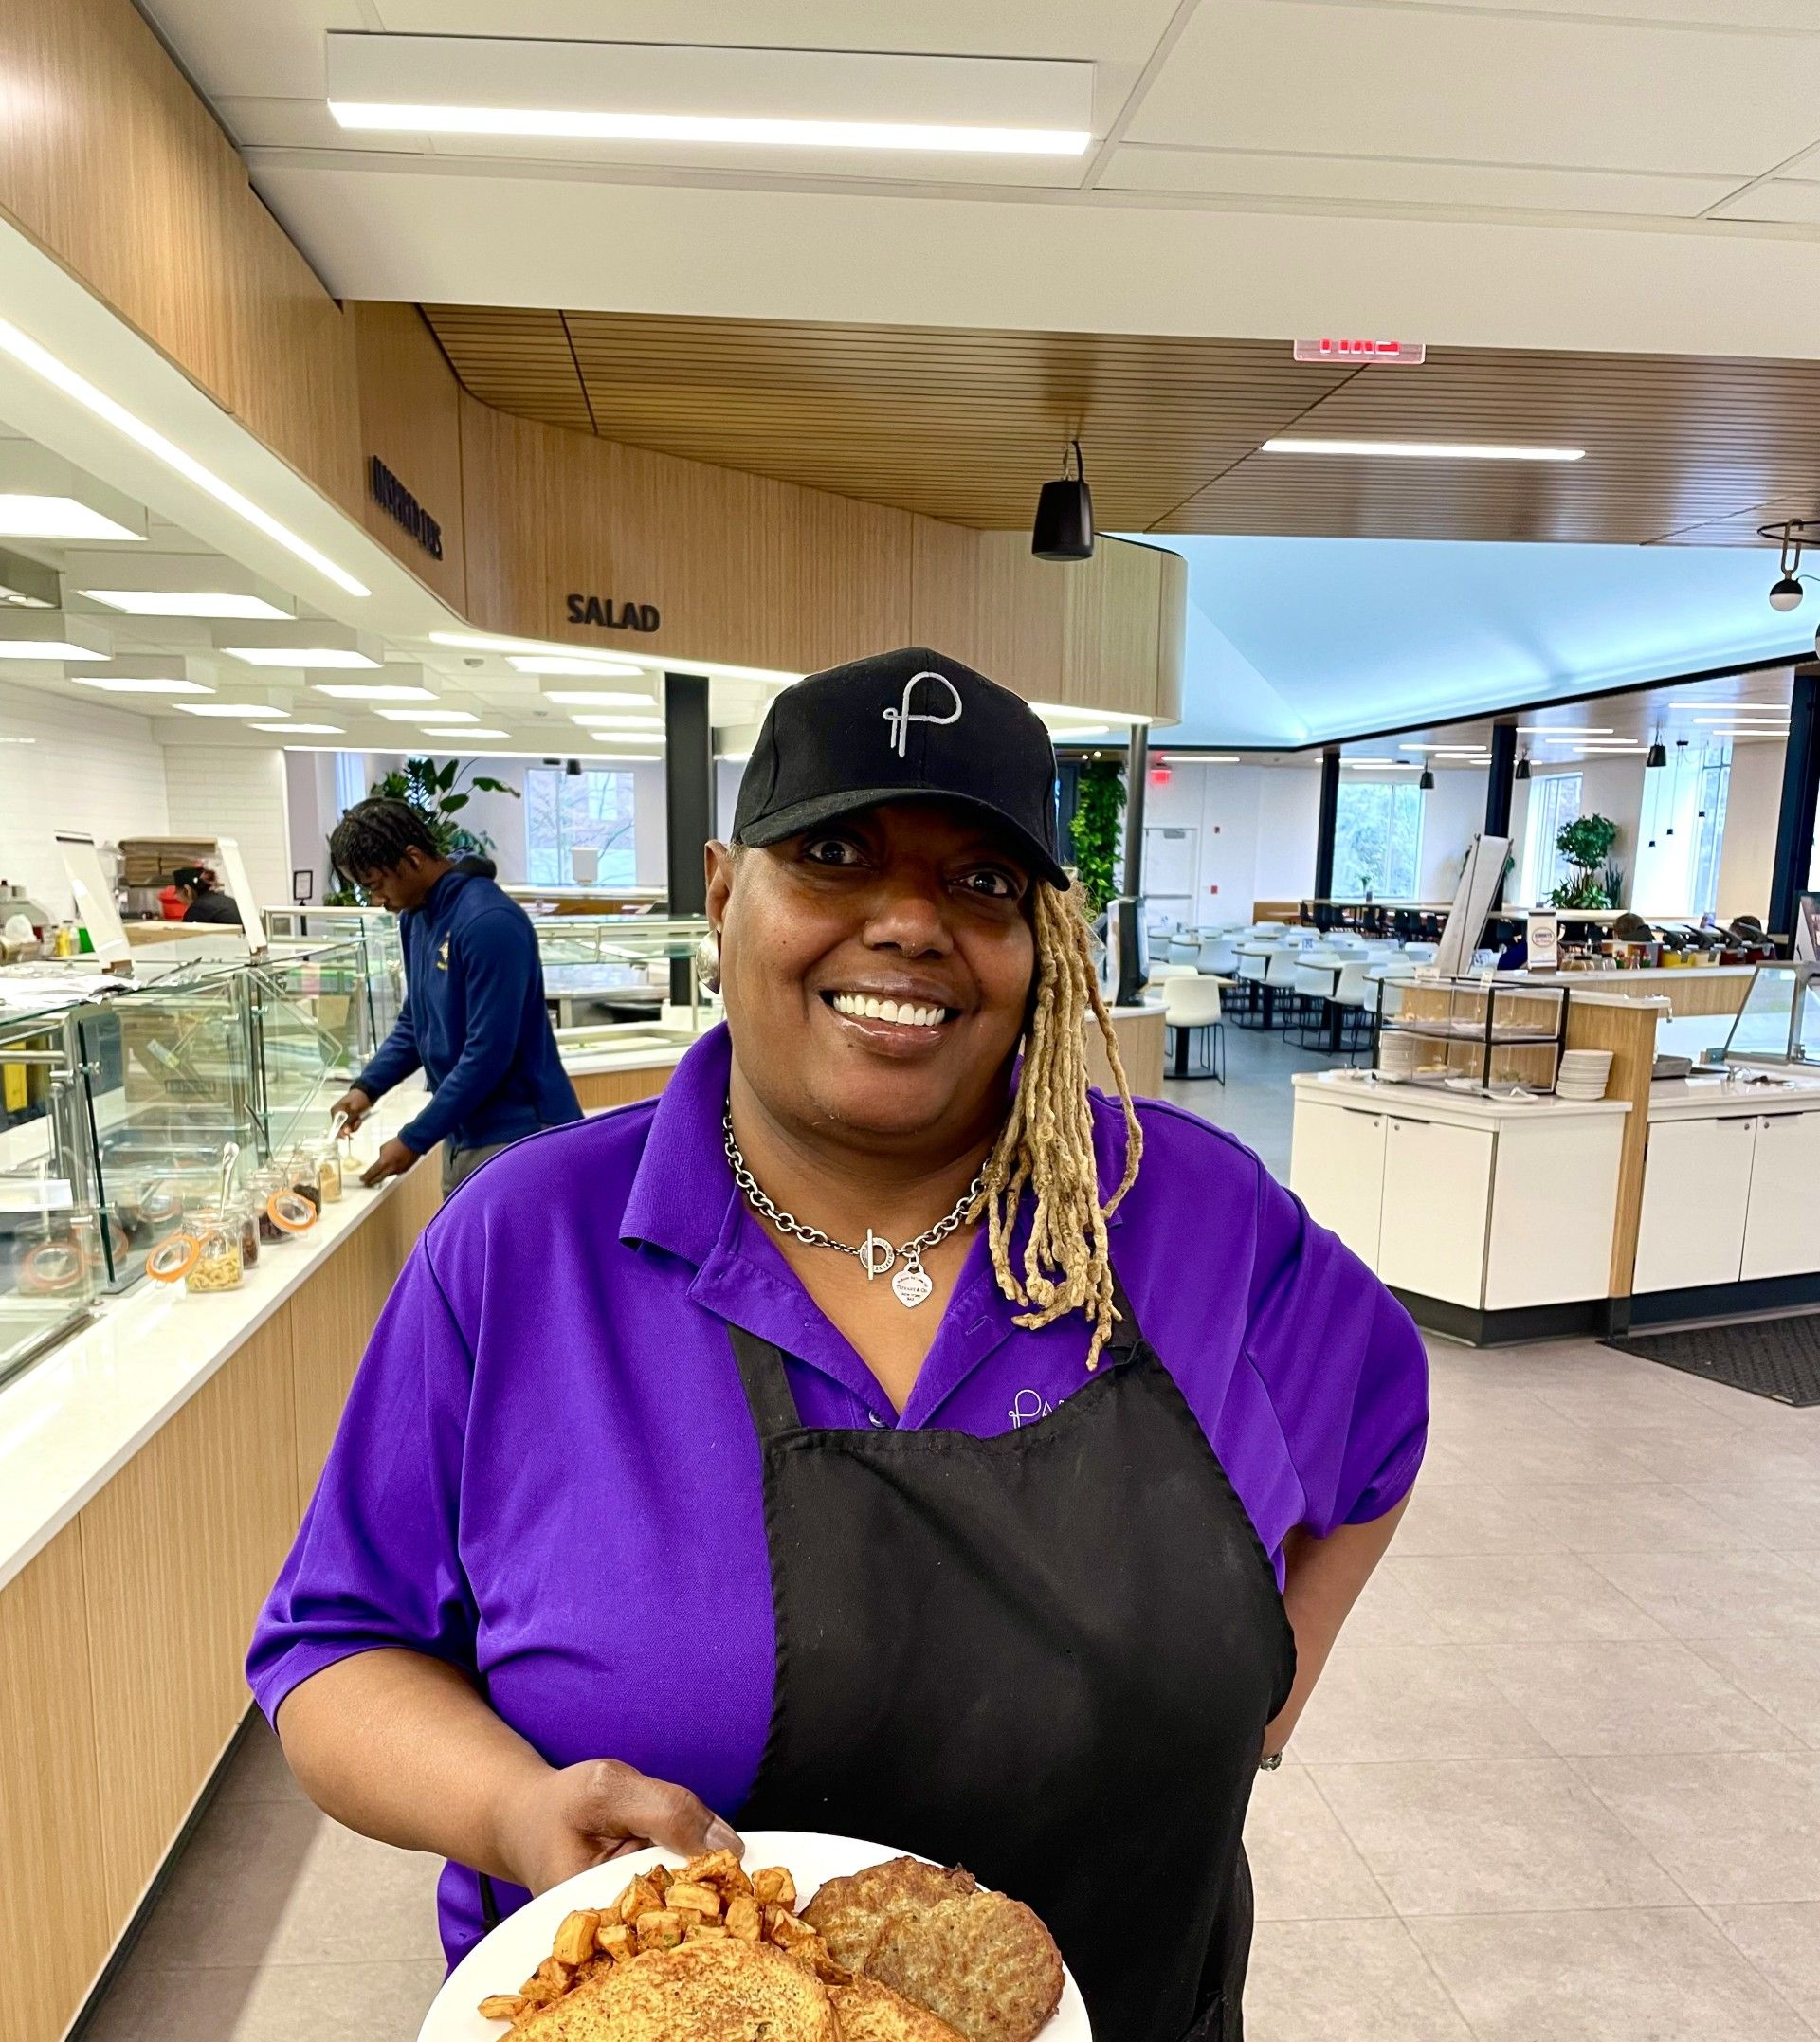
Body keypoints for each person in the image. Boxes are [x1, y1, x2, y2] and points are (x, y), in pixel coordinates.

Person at [252, 651, 1427, 2042]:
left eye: (985, 881)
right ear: (723, 889)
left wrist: (1261, 1701)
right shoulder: (525, 1247)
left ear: (1043, 940)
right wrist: (507, 1807)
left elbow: (1381, 1426)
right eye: (835, 852)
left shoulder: (1187, 1212)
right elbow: (338, 1647)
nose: (911, 923)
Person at [323, 798, 581, 1193]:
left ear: (412, 858)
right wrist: (367, 1087)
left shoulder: (488, 922)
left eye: (376, 886)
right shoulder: (416, 919)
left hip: (522, 1134)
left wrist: (414, 1138)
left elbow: (488, 1055)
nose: (377, 901)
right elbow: (416, 1022)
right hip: (465, 1130)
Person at [172, 864, 242, 925]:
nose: (175, 895)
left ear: (187, 890)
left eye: (177, 891)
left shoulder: (197, 910)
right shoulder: (225, 900)